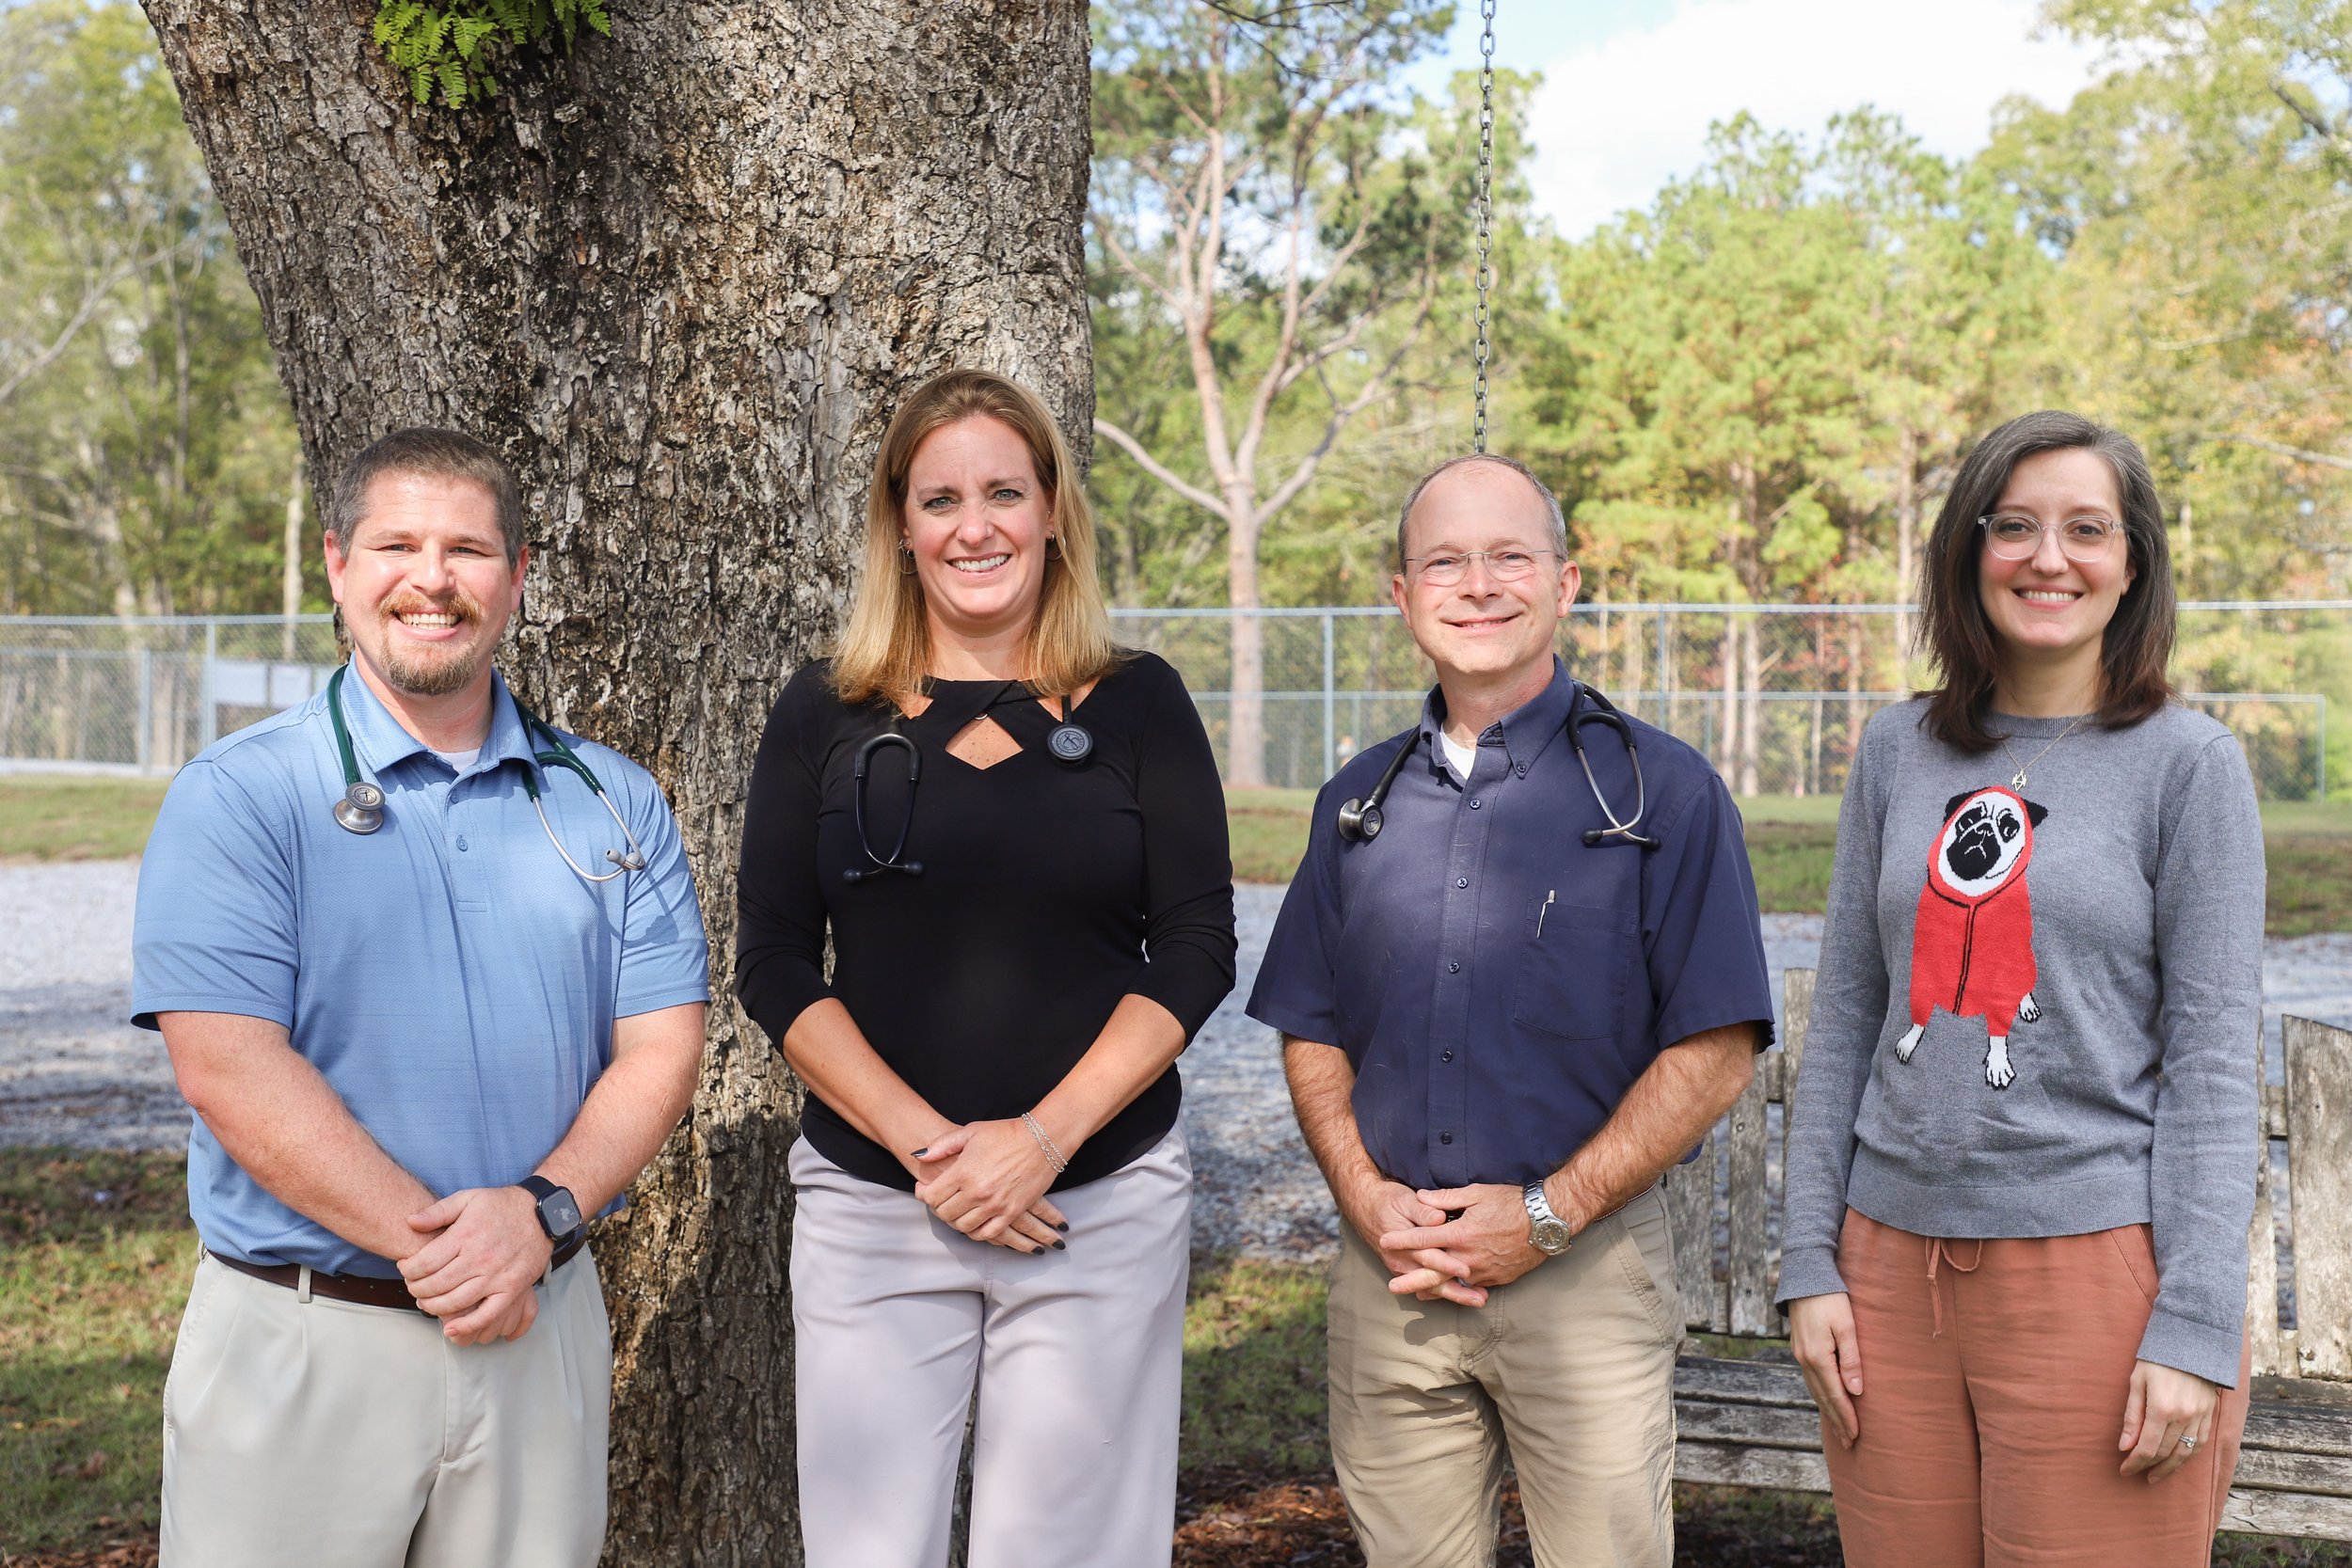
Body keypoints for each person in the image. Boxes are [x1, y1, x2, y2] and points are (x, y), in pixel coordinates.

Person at [131, 428, 711, 1566]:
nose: (432, 578)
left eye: (468, 548)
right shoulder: (242, 796)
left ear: (518, 576)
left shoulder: (612, 800)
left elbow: (659, 1048)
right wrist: (452, 1249)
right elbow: (228, 1065)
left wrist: (537, 1217)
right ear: (338, 563)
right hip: (304, 1338)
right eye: (397, 543)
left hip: (535, 1330)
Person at [734, 367, 1236, 1568]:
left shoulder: (1139, 703)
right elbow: (775, 964)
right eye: (941, 497)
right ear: (899, 525)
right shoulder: (824, 710)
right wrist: (935, 1152)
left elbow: (1198, 949)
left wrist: (1041, 1142)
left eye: (1005, 491)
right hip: (874, 1207)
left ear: (1053, 509)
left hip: (1094, 1202)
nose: (975, 525)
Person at [1247, 453, 1774, 1568]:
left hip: (1580, 1271)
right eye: (1444, 560)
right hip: (1391, 1275)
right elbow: (1313, 1026)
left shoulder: (1659, 792)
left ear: (1565, 581)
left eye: (1508, 556)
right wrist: (1364, 1196)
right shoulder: (1358, 802)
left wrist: (1542, 1215)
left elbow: (1718, 1048)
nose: (1477, 583)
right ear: (1401, 593)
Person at [1779, 410, 2266, 1565]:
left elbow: (2208, 1062)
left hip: (2094, 1281)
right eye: (2015, 526)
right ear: (1968, 550)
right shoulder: (1897, 750)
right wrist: (1810, 1264)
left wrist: (2192, 1325)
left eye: (2086, 528)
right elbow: (1847, 1016)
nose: (2049, 557)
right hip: (1884, 1279)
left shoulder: (2188, 765)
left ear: (2131, 562)